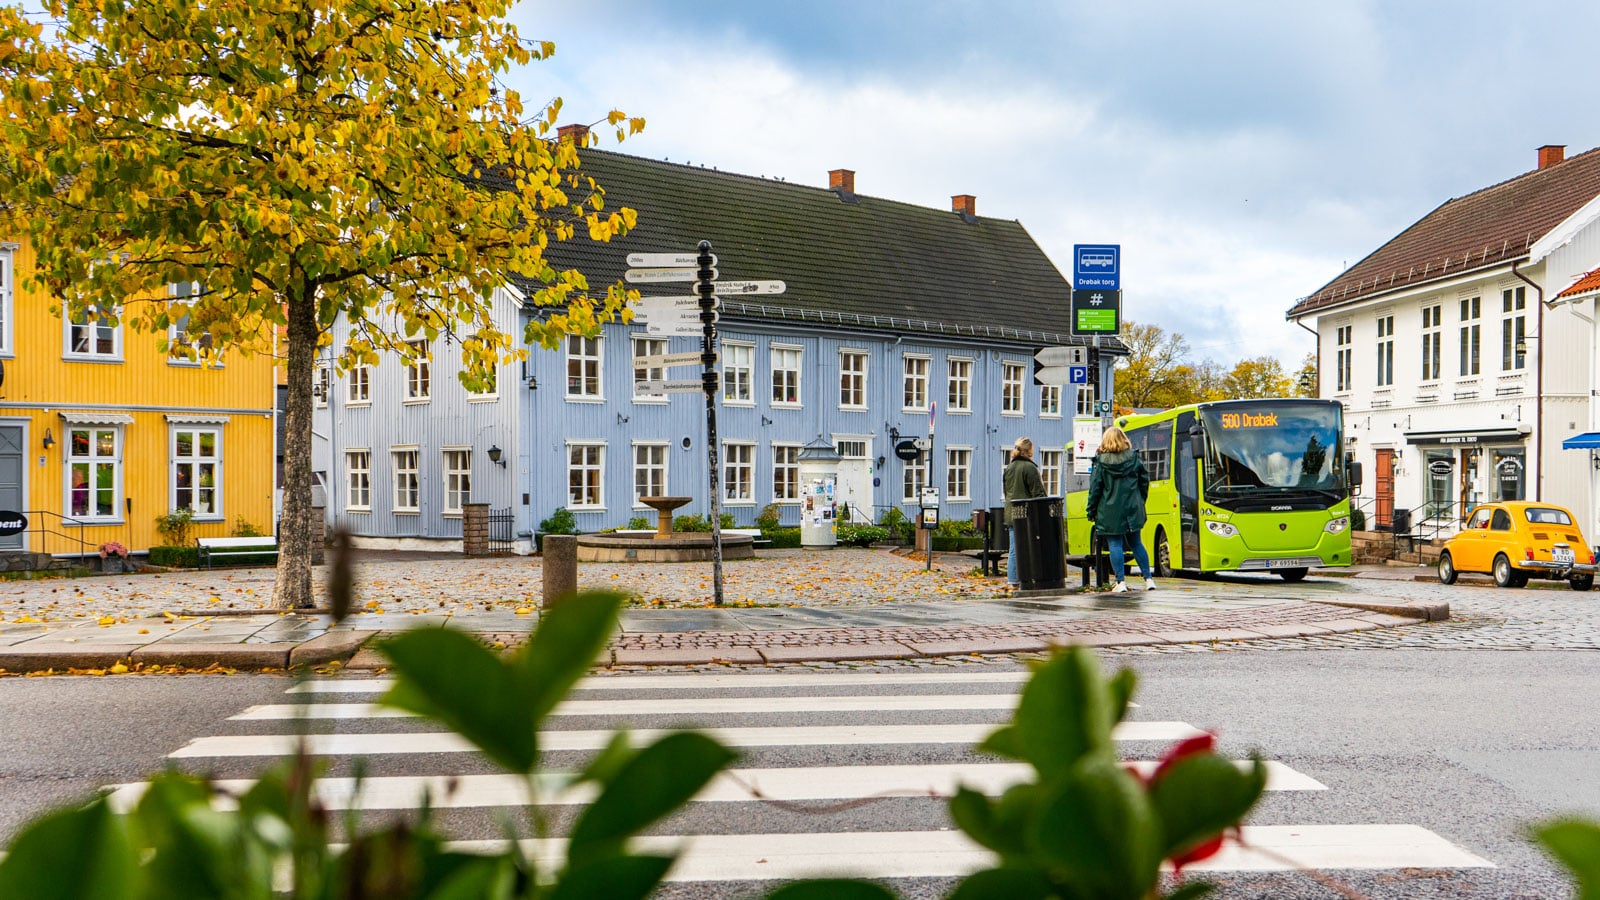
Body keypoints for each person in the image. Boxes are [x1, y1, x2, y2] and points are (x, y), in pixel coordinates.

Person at [1086, 426, 1155, 593]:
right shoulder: (1135, 458)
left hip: (1109, 510)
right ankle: (1148, 579)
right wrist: (1140, 501)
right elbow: (1144, 482)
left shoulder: (1101, 462)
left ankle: (1120, 582)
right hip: (1133, 507)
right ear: (1124, 439)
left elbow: (1095, 489)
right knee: (1136, 542)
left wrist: (1091, 511)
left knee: (1115, 544)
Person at [1003, 436, 1046, 587]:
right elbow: (1038, 494)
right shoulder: (1029, 468)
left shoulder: (1009, 467)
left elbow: (1006, 492)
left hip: (1011, 513)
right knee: (1026, 549)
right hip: (1027, 515)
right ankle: (1022, 580)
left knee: (1014, 549)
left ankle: (1014, 580)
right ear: (1029, 450)